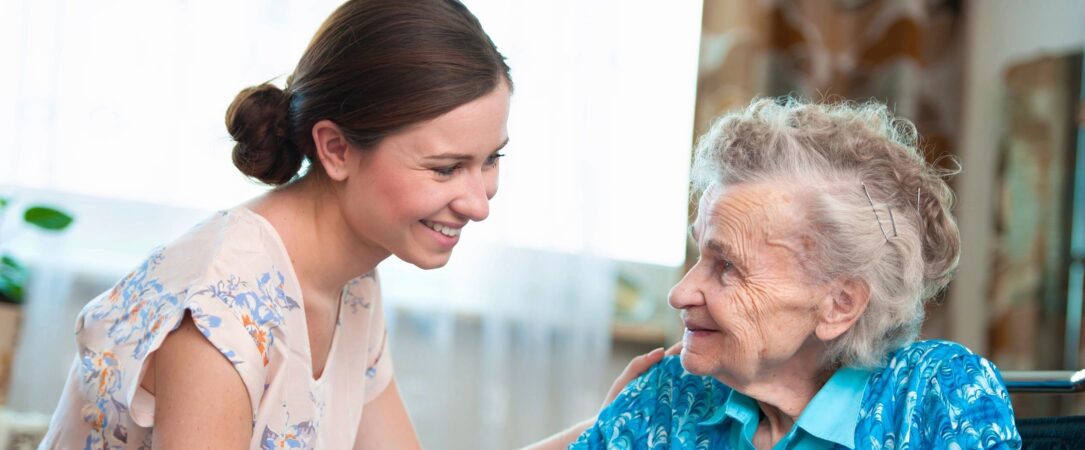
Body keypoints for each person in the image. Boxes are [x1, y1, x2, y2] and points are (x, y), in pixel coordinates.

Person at [41, 1, 512, 448]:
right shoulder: (220, 308)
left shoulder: (353, 283)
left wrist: (586, 435)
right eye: (446, 168)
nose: (479, 204)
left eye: (492, 159)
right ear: (336, 149)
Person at [571, 98, 1022, 449]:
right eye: (699, 258)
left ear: (838, 305)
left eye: (727, 266)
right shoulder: (670, 395)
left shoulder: (934, 396)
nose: (681, 292)